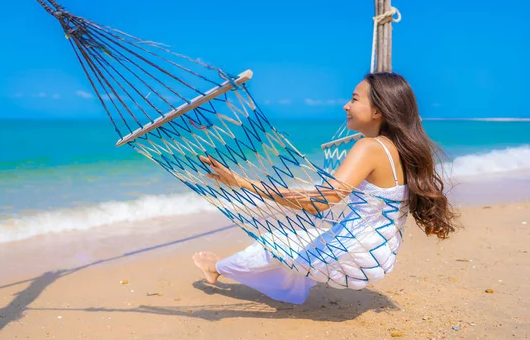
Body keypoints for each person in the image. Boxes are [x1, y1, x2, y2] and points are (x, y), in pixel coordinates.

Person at [192, 72, 458, 304]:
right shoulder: (401, 148)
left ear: (378, 111)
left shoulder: (370, 147)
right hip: (378, 253)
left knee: (275, 241)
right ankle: (273, 282)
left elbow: (319, 202)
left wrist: (241, 182)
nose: (346, 106)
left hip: (356, 258)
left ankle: (215, 268)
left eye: (354, 99)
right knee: (303, 232)